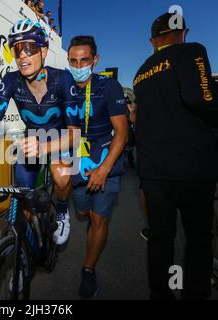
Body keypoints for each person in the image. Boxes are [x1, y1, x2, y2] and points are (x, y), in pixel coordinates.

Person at [0, 19, 80, 245]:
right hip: (32, 140)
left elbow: (74, 135)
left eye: (29, 48)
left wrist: (44, 147)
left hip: (59, 140)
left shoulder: (62, 79)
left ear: (44, 50)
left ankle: (60, 211)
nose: (23, 55)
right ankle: (26, 251)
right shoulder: (10, 80)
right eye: (17, 49)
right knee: (23, 198)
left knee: (61, 176)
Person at [133, 12, 218, 300]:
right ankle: (195, 293)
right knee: (198, 237)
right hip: (192, 167)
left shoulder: (142, 70)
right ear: (184, 32)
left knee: (161, 238)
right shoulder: (192, 51)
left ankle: (161, 295)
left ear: (153, 41)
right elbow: (199, 97)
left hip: (153, 171)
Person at [67, 36, 129, 299]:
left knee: (98, 218)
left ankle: (89, 269)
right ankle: (78, 211)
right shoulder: (63, 86)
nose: (78, 65)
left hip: (105, 159)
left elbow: (122, 132)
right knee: (82, 213)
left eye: (84, 60)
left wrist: (104, 168)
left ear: (95, 60)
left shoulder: (109, 86)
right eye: (73, 60)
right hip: (76, 160)